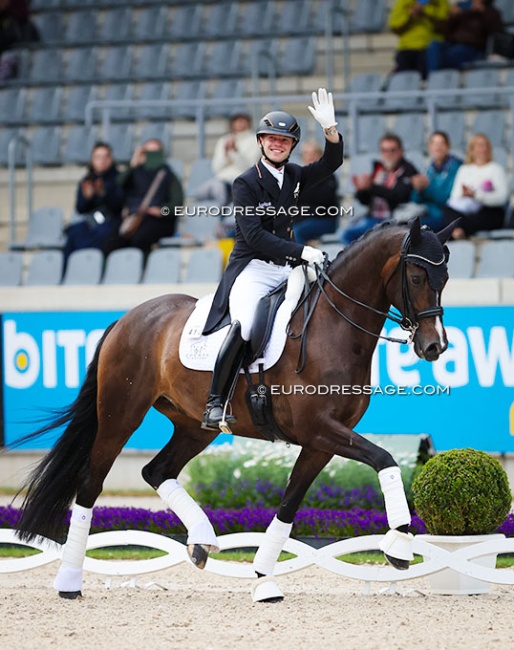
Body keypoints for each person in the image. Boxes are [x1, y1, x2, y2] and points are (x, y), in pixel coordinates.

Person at [201, 88, 344, 431]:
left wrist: (330, 130)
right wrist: (301, 251)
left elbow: (331, 163)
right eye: (271, 139)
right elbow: (254, 236)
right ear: (261, 141)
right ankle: (215, 403)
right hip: (253, 268)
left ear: (291, 145)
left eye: (283, 140)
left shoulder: (294, 175)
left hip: (289, 268)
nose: (277, 144)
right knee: (247, 325)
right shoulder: (245, 182)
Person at [104, 139, 184, 254]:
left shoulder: (168, 175)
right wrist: (132, 165)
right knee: (110, 243)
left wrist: (160, 211)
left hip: (158, 221)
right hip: (133, 220)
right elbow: (118, 185)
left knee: (140, 239)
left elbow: (177, 204)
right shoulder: (135, 173)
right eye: (147, 152)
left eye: (155, 152)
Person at [340, 133, 418, 245]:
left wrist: (372, 186)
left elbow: (399, 196)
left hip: (394, 220)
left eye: (392, 150)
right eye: (385, 150)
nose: (389, 154)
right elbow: (365, 201)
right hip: (373, 218)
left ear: (401, 151)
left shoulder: (408, 170)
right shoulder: (378, 169)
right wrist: (362, 190)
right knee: (345, 234)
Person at [63, 142, 124, 261]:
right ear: (92, 160)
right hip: (91, 222)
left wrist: (104, 195)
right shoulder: (87, 181)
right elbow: (80, 209)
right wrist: (87, 198)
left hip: (111, 223)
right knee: (73, 233)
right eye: (98, 157)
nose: (102, 161)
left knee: (102, 237)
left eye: (105, 157)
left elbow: (119, 206)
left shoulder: (119, 179)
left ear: (111, 159)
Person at [443, 132, 508, 238]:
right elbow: (454, 196)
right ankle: (457, 232)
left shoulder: (496, 169)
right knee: (447, 209)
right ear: (472, 150)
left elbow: (501, 198)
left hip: (488, 210)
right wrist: (465, 194)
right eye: (479, 145)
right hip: (467, 209)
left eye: (485, 145)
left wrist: (477, 196)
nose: (483, 149)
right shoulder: (464, 169)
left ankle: (457, 231)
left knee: (488, 215)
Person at [195, 110, 261, 206]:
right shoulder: (224, 140)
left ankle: (223, 210)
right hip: (221, 180)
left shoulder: (255, 141)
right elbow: (216, 168)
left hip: (241, 181)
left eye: (242, 120)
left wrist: (235, 152)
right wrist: (225, 153)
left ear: (248, 122)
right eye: (236, 120)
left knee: (220, 193)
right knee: (200, 193)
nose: (239, 123)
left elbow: (249, 168)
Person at [426, 0, 503, 73]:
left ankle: (434, 78)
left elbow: (494, 31)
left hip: (473, 47)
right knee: (434, 45)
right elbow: (447, 31)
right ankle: (432, 77)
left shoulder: (492, 12)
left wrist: (483, 11)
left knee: (447, 56)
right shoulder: (464, 10)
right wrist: (452, 16)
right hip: (453, 43)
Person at [410, 131, 462, 230]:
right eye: (434, 143)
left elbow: (448, 198)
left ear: (448, 146)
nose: (438, 147)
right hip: (428, 213)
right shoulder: (428, 169)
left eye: (442, 143)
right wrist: (418, 189)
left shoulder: (457, 167)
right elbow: (415, 200)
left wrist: (426, 187)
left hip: (447, 216)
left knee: (412, 229)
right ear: (429, 148)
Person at [292, 139, 340, 245]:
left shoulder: (328, 176)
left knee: (296, 232)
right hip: (302, 219)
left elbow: (324, 200)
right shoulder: (299, 175)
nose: (310, 156)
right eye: (306, 153)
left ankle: (298, 261)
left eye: (314, 153)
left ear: (320, 155)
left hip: (324, 220)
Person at [388, 0, 450, 79]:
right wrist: (410, 17)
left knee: (426, 77)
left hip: (430, 48)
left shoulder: (441, 2)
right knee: (403, 79)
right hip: (406, 48)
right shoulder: (403, 2)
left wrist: (425, 15)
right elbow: (395, 29)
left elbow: (445, 28)